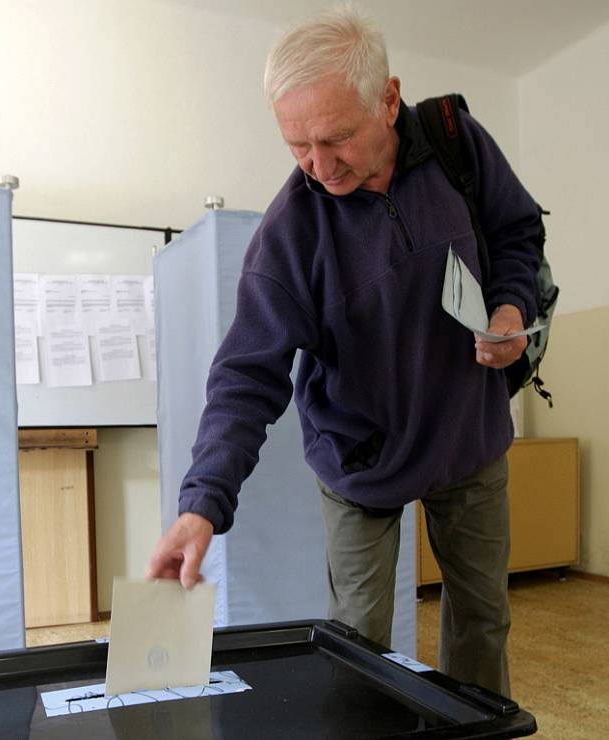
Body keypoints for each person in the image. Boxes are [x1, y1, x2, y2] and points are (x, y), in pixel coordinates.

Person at [147, 5, 541, 698]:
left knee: (482, 621)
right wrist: (201, 504)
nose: (318, 167)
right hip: (359, 456)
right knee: (358, 635)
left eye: (336, 139)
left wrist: (511, 306)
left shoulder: (457, 144)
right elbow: (246, 375)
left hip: (467, 440)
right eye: (296, 145)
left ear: (388, 101)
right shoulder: (289, 235)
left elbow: (515, 233)